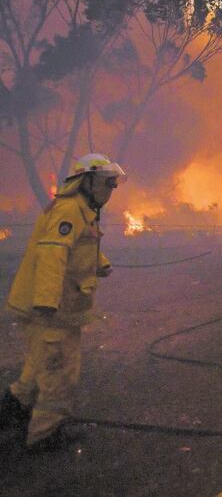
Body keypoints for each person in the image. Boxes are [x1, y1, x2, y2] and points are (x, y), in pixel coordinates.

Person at [0, 153, 125, 452]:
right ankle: (44, 435)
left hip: (56, 310)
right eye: (108, 183)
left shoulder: (81, 211)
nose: (111, 190)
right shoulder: (69, 211)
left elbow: (81, 247)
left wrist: (100, 263)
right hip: (51, 312)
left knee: (38, 367)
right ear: (88, 181)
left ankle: (13, 416)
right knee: (60, 372)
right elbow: (52, 256)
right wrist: (46, 302)